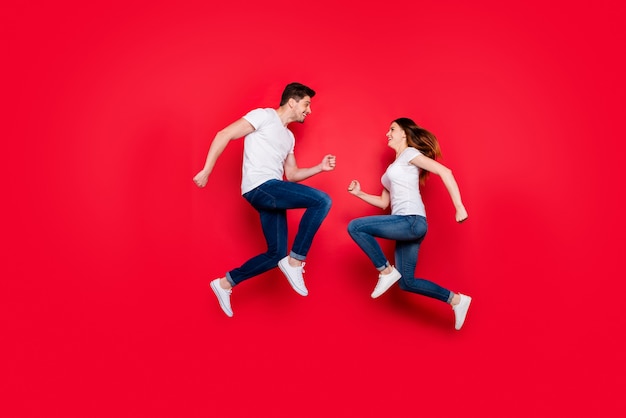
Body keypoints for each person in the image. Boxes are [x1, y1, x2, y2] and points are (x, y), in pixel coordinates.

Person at [193, 82, 335, 317]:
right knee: (322, 200)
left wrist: (319, 167)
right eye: (306, 104)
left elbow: (291, 175)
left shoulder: (289, 137)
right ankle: (296, 261)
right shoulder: (264, 116)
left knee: (275, 255)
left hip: (272, 191)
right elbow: (225, 134)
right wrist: (207, 169)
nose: (309, 110)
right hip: (261, 187)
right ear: (292, 101)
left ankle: (225, 284)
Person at [346, 117, 472, 330]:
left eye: (392, 129)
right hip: (405, 225)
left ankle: (386, 271)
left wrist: (459, 207)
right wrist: (359, 194)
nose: (388, 133)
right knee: (407, 282)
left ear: (404, 133)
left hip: (412, 221)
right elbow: (384, 202)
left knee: (355, 226)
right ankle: (457, 301)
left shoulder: (410, 154)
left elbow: (445, 172)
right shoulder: (390, 171)